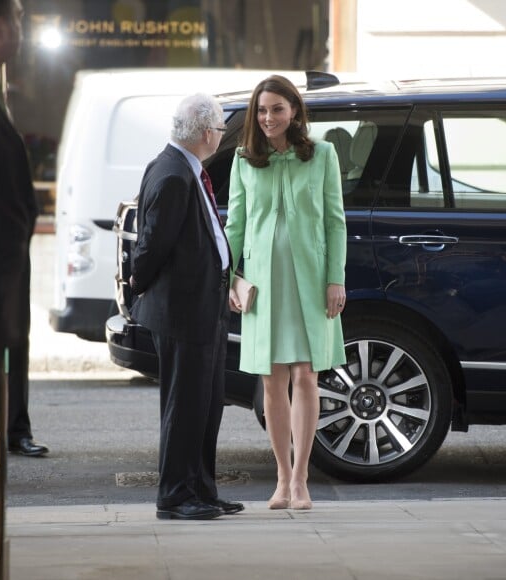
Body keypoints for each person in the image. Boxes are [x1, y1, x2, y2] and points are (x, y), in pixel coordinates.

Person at [225, 75, 347, 510]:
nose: (268, 117)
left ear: (294, 110)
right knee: (272, 382)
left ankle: (301, 479)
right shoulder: (244, 159)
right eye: (261, 110)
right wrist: (230, 279)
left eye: (277, 108)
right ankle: (280, 478)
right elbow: (234, 226)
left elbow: (335, 221)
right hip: (262, 285)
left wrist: (336, 278)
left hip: (310, 281)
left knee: (306, 376)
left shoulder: (323, 155)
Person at [130, 93, 243, 520]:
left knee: (206, 405)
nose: (219, 137)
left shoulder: (184, 168)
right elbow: (151, 246)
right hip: (182, 312)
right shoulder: (174, 173)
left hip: (204, 309)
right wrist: (138, 287)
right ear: (203, 133)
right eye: (218, 130)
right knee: (185, 406)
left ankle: (202, 489)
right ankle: (175, 496)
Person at [0, 0, 48, 457]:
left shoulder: (1, 89)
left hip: (12, 261)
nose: (23, 29)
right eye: (18, 19)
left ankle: (16, 427)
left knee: (18, 340)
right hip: (2, 263)